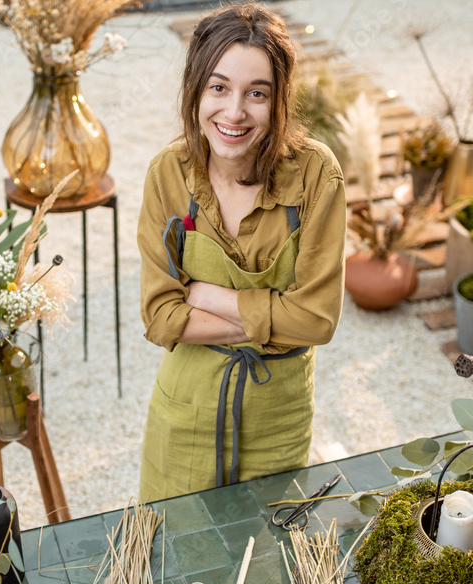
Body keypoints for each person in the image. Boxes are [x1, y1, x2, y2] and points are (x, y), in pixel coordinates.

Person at [137, 2, 347, 502]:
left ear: (279, 102)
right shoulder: (168, 173)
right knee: (173, 561)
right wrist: (276, 317)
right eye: (219, 87)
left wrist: (208, 296)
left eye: (257, 93)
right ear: (195, 91)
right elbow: (160, 317)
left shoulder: (317, 175)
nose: (234, 112)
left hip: (279, 419)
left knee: (266, 567)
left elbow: (318, 321)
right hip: (184, 413)